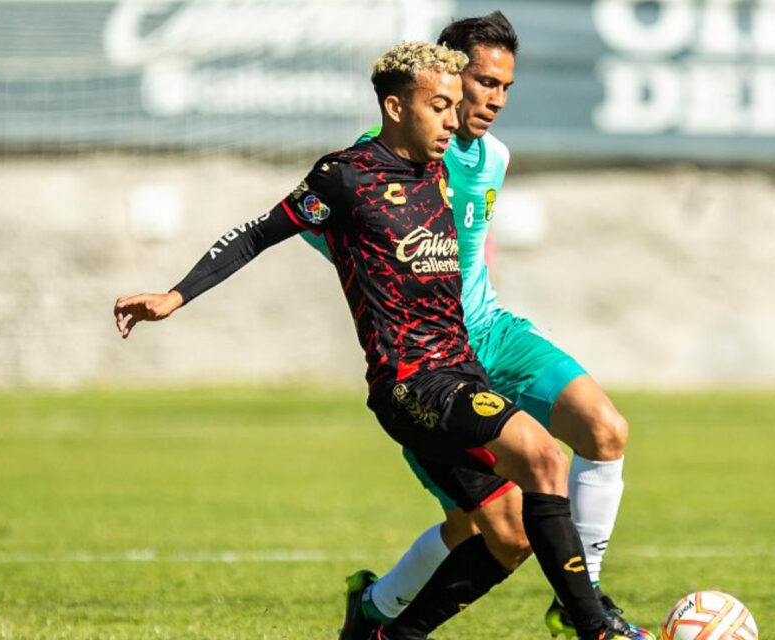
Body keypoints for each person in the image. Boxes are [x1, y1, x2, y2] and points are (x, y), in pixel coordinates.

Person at [112, 41, 631, 640]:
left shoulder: (440, 168)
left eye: (457, 105)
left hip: (462, 372)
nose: (453, 118)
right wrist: (175, 295)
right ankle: (594, 628)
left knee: (509, 535)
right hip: (414, 382)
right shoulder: (345, 177)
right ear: (394, 107)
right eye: (440, 106)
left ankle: (386, 632)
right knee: (544, 457)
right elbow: (259, 232)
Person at [303, 13, 649, 640]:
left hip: (491, 332)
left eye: (505, 87)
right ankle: (376, 611)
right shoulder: (380, 153)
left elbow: (468, 246)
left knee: (605, 429)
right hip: (429, 361)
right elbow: (315, 225)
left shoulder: (494, 157)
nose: (494, 99)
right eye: (483, 81)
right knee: (491, 530)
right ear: (447, 74)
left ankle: (581, 603)